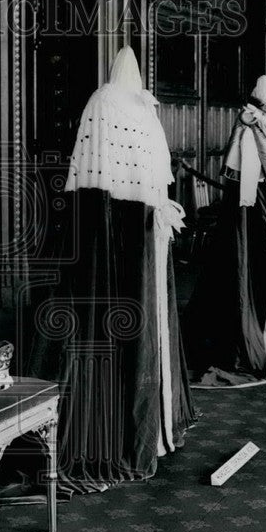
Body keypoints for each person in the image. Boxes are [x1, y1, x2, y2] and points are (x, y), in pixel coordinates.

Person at [28, 46, 195, 492]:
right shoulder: (137, 109)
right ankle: (142, 428)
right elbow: (151, 176)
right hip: (137, 231)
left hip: (114, 227)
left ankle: (129, 423)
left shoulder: (106, 103)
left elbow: (88, 177)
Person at [182, 75, 266, 387]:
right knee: (246, 271)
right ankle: (243, 345)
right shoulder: (248, 124)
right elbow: (244, 183)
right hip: (250, 214)